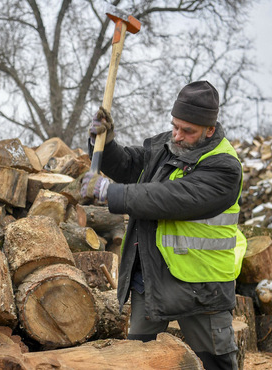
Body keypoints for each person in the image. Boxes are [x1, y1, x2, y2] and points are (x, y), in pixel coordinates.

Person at [81, 81, 246, 370]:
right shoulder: (167, 146)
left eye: (188, 130)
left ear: (210, 129)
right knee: (138, 362)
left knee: (216, 365)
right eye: (175, 126)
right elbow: (128, 165)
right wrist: (103, 144)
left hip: (201, 287)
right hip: (152, 279)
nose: (178, 136)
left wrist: (112, 192)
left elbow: (172, 198)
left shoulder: (224, 166)